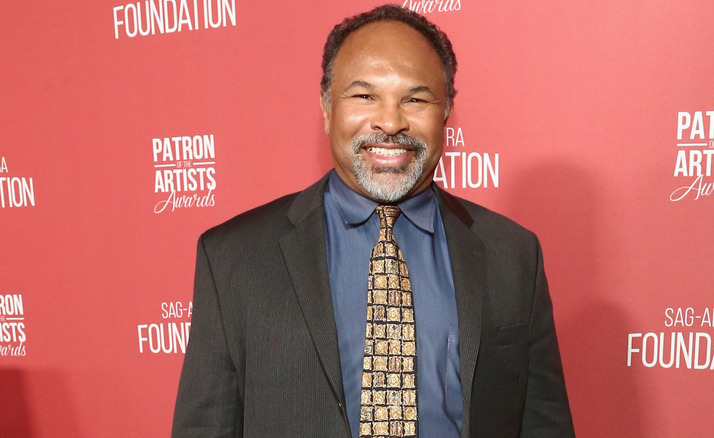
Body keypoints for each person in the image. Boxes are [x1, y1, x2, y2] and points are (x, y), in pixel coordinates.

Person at [172, 4, 574, 437]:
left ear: (446, 112)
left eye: (416, 99)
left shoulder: (512, 253)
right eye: (365, 96)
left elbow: (544, 423)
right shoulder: (234, 257)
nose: (390, 121)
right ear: (327, 108)